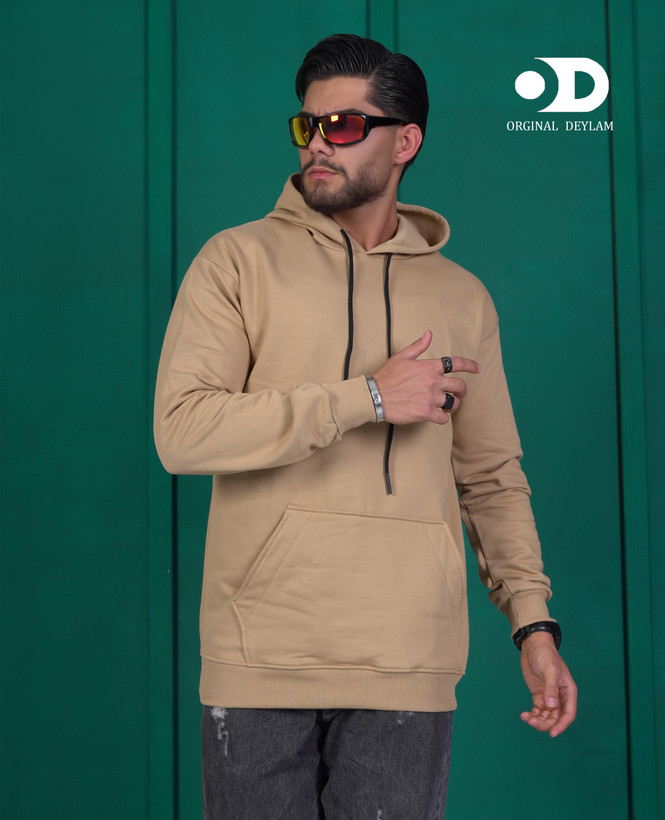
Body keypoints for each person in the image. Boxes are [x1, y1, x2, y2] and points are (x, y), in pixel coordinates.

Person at [154, 32, 577, 819]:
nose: (318, 144)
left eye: (343, 126)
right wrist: (367, 399)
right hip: (261, 652)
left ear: (404, 141)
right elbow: (182, 430)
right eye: (307, 125)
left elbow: (490, 478)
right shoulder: (236, 261)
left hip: (408, 654)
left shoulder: (460, 297)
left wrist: (533, 626)